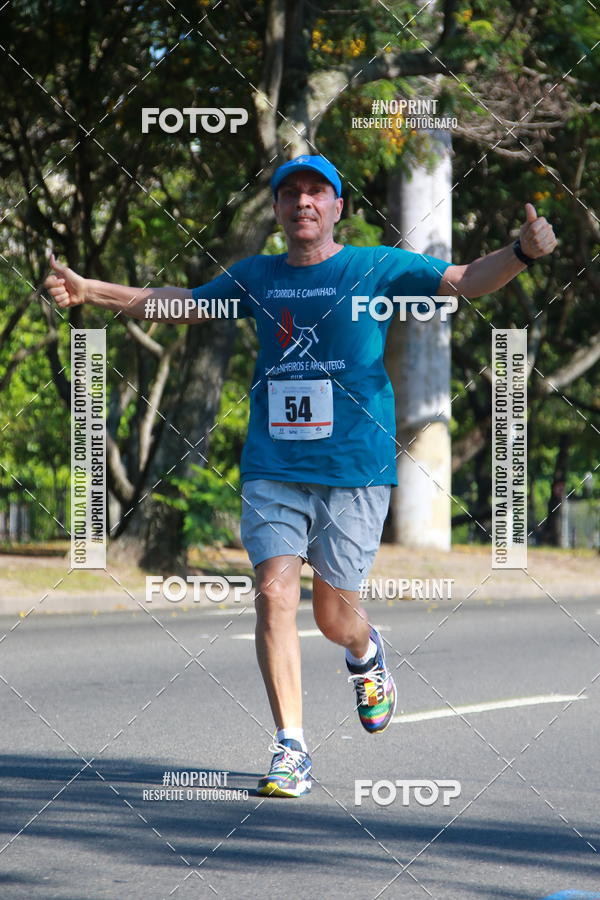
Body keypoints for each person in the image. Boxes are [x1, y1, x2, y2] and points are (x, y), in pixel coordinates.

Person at [45, 154, 557, 798]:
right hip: (273, 465)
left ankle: (366, 652)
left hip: (354, 468)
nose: (304, 204)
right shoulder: (257, 275)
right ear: (280, 211)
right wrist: (94, 290)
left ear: (338, 207)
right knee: (273, 595)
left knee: (334, 616)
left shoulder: (374, 266)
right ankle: (291, 746)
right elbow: (184, 305)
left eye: (318, 193)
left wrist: (521, 252)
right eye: (291, 195)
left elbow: (465, 280)